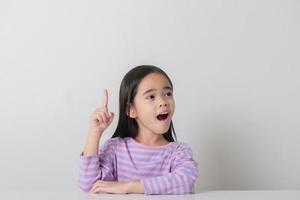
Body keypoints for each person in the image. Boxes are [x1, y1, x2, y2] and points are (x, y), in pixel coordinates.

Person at [78, 65, 198, 195]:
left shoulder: (178, 152)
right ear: (131, 110)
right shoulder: (115, 148)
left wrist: (128, 187)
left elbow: (185, 181)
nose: (163, 102)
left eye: (168, 93)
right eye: (151, 97)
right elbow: (89, 186)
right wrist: (94, 132)